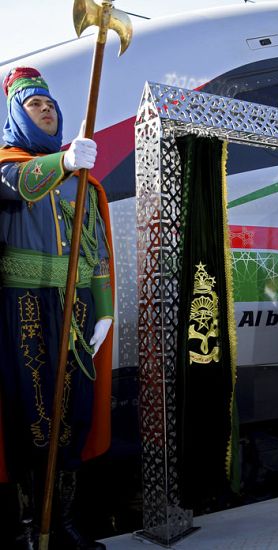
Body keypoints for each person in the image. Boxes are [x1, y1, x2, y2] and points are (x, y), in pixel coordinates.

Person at [0, 66, 113, 549]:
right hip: (25, 302)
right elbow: (20, 184)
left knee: (74, 412)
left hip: (78, 303)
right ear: (15, 117)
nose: (46, 111)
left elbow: (98, 245)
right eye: (34, 106)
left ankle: (63, 523)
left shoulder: (82, 176)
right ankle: (30, 530)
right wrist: (63, 163)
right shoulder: (9, 164)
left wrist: (104, 307)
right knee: (33, 413)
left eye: (50, 105)